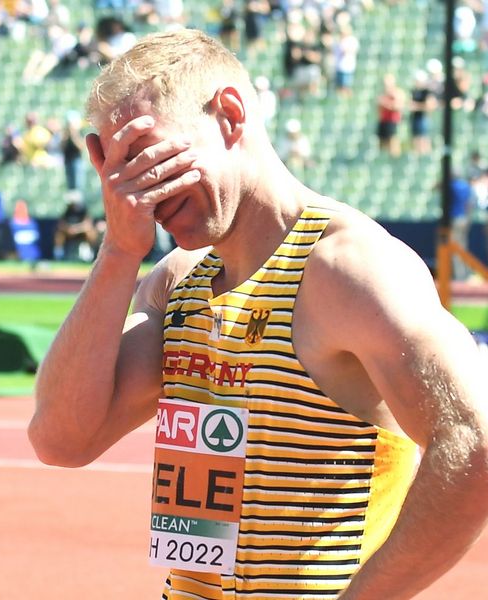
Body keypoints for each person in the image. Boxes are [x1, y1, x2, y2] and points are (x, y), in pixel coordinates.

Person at [29, 29, 488, 599]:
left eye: (146, 157)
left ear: (229, 115)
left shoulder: (347, 267)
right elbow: (61, 439)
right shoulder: (177, 282)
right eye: (114, 170)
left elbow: (475, 443)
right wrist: (119, 251)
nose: (132, 191)